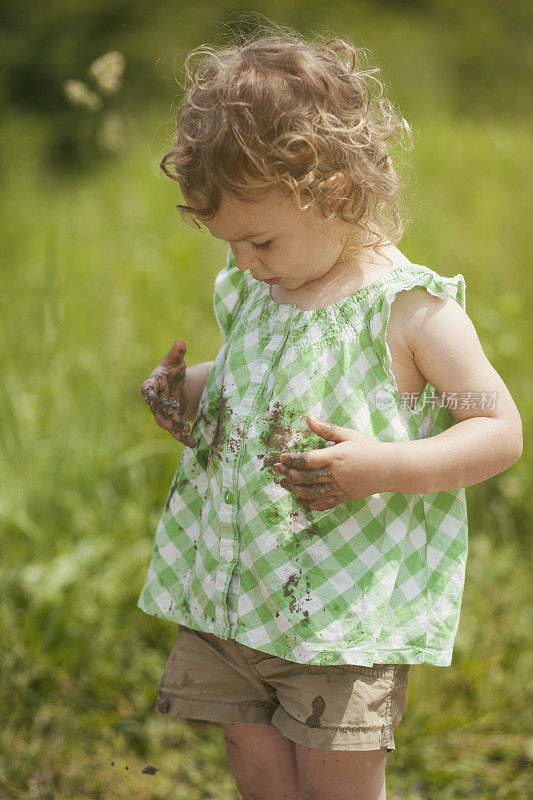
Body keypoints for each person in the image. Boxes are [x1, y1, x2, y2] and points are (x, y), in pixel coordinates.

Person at [137, 25, 523, 800]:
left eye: (260, 241)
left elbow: (497, 427)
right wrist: (188, 393)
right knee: (255, 768)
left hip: (341, 615)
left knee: (336, 778)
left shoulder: (410, 312)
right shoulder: (259, 287)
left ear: (336, 195)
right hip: (236, 589)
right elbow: (263, 381)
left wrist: (383, 466)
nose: (242, 263)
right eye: (229, 244)